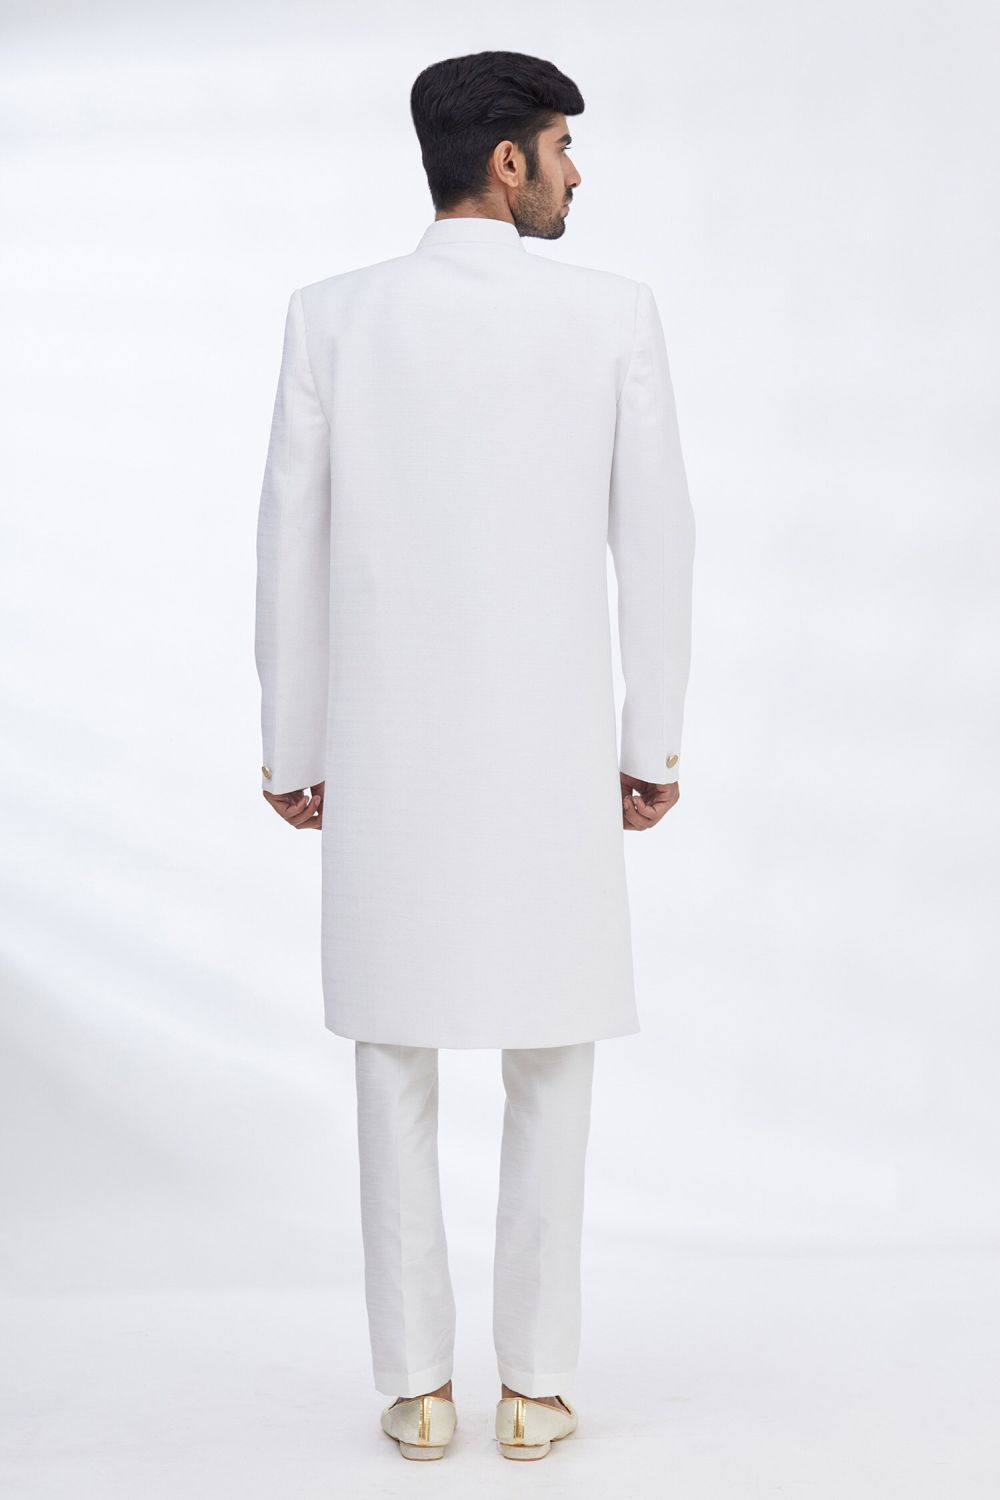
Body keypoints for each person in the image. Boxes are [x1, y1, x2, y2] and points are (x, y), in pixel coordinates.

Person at [253, 49, 695, 1462]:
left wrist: (291, 743)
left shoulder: (333, 319)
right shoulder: (612, 317)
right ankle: (539, 1384)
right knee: (550, 1056)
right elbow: (659, 543)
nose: (574, 173)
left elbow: (289, 548)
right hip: (553, 757)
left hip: (385, 753)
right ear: (507, 162)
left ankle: (416, 1385)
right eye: (561, 147)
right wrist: (651, 740)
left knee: (395, 1058)